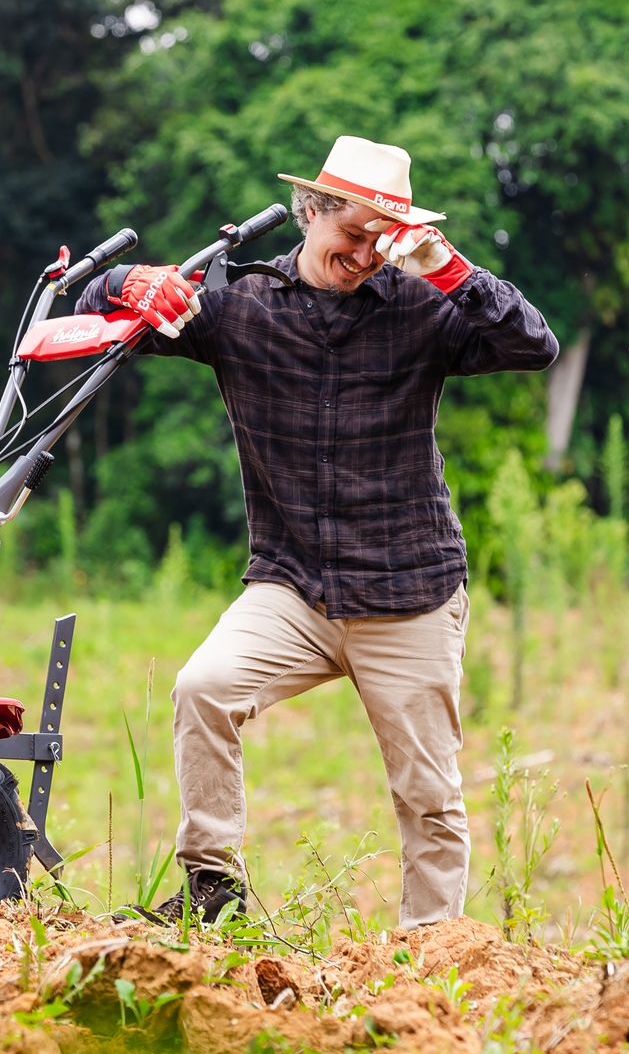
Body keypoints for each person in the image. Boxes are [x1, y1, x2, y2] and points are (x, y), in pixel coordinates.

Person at [78, 134, 560, 927]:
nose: (367, 254)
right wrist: (129, 279)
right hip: (294, 589)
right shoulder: (241, 309)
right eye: (353, 233)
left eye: (384, 239)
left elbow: (530, 344)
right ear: (310, 211)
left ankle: (430, 959)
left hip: (410, 592)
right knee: (203, 689)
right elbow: (94, 302)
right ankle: (213, 891)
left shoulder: (423, 311)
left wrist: (444, 266)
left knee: (429, 796)